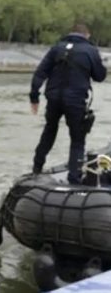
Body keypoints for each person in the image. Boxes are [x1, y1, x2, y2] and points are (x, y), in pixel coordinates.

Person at [29, 23, 106, 183]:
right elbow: (100, 76)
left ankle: (36, 168)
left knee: (49, 131)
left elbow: (40, 72)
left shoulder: (57, 48)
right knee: (77, 139)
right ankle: (74, 177)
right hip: (75, 100)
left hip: (53, 98)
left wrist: (34, 97)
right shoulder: (90, 50)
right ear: (87, 35)